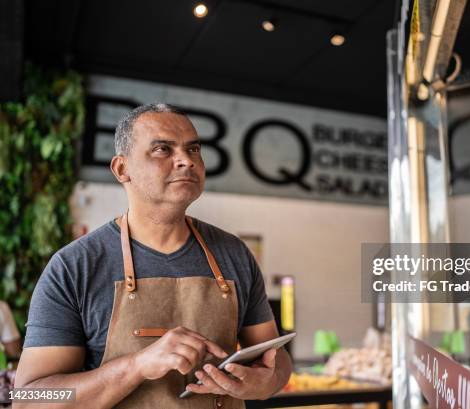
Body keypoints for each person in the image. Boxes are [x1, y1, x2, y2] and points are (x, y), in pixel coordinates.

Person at [15, 104, 292, 408]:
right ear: (122, 169)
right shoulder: (74, 267)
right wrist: (136, 366)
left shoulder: (234, 254)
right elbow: (30, 398)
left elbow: (277, 361)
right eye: (163, 149)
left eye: (194, 149)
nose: (186, 161)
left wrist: (266, 382)